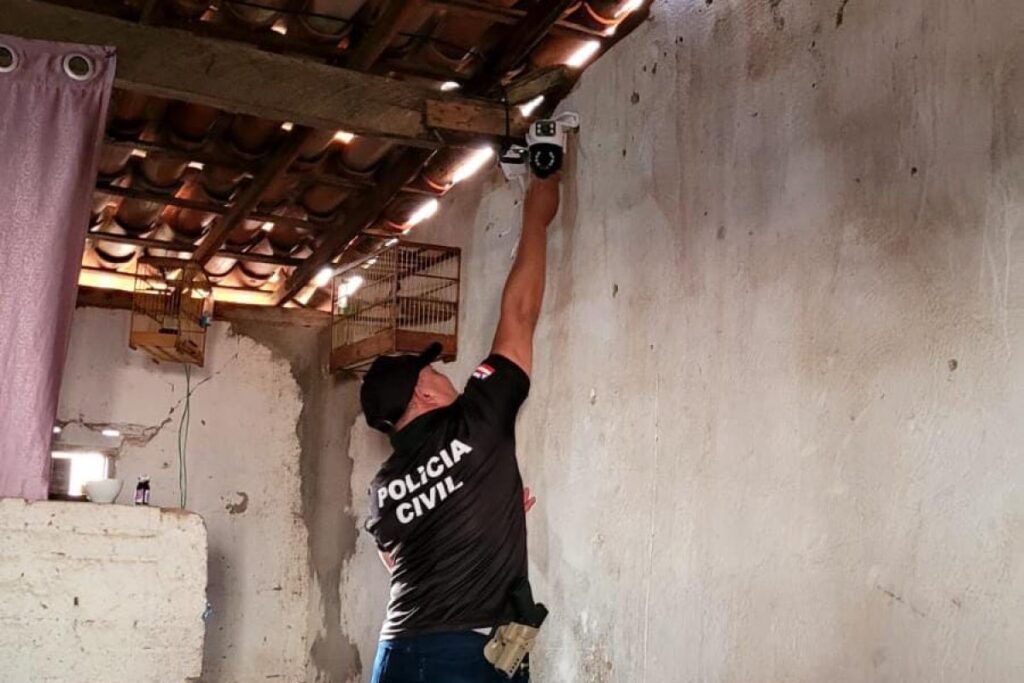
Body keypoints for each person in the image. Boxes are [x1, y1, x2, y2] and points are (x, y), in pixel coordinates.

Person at [359, 172, 562, 683]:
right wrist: (538, 209)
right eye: (432, 371)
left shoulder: (384, 485)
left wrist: (484, 512)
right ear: (423, 394)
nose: (442, 374)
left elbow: (395, 557)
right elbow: (520, 313)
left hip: (396, 652)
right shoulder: (478, 418)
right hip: (464, 655)